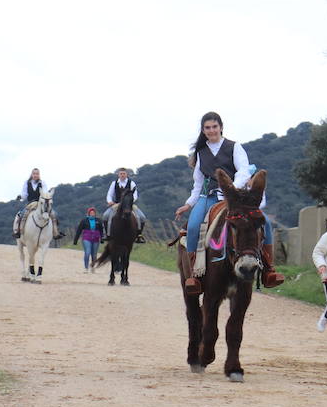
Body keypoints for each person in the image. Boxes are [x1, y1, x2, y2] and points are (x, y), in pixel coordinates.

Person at [174, 112, 284, 294]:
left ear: (221, 127)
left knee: (265, 222)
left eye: (214, 126)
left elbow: (243, 172)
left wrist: (231, 189)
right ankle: (194, 274)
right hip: (208, 197)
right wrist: (188, 204)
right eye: (207, 128)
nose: (211, 130)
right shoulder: (200, 152)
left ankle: (268, 271)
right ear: (203, 130)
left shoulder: (234, 147)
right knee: (193, 227)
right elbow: (199, 183)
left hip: (234, 197)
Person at [12, 168, 65, 241]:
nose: (35, 175)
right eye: (34, 174)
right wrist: (20, 196)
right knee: (22, 214)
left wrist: (46, 198)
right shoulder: (27, 183)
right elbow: (25, 194)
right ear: (32, 174)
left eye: (37, 174)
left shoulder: (42, 183)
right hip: (31, 203)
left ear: (39, 175)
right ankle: (19, 231)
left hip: (41, 202)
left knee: (54, 214)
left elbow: (45, 193)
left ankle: (56, 232)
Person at [103, 168, 147, 243]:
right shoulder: (114, 183)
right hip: (117, 204)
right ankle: (108, 234)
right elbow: (109, 194)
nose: (122, 175)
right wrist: (110, 201)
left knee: (142, 217)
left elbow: (135, 194)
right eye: (121, 174)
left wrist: (131, 201)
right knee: (106, 216)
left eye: (124, 173)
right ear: (118, 174)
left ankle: (138, 235)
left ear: (126, 174)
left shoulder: (131, 183)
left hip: (129, 204)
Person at [74, 207, 104, 273]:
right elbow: (79, 230)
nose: (92, 214)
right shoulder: (84, 221)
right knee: (87, 252)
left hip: (96, 239)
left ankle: (93, 267)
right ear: (88, 213)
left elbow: (101, 231)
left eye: (93, 213)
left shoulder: (98, 221)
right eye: (91, 213)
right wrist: (75, 240)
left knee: (94, 254)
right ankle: (86, 267)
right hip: (86, 238)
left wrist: (102, 238)